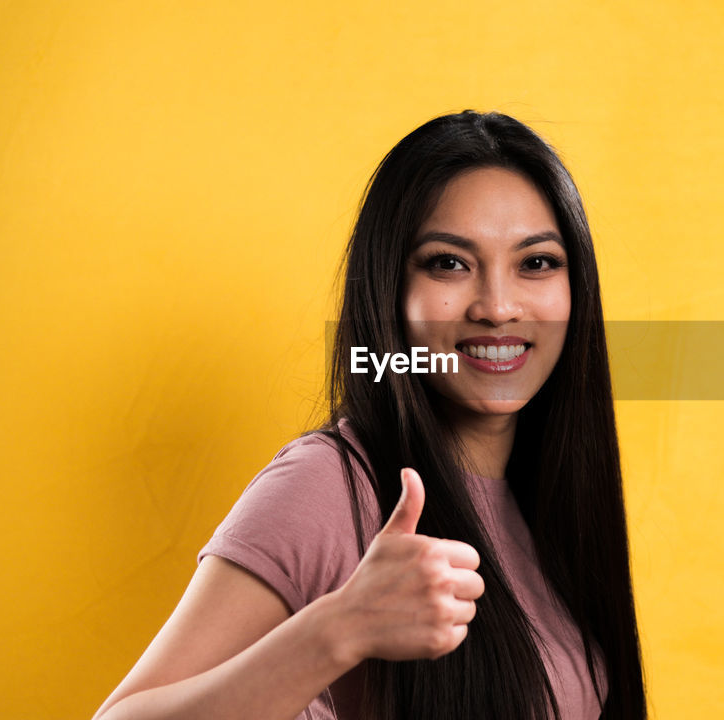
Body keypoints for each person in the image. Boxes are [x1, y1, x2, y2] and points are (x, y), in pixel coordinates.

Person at [91, 110, 646, 720]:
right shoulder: (330, 484)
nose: (498, 307)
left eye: (536, 263)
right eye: (449, 263)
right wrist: (339, 629)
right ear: (390, 291)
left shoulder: (553, 496)